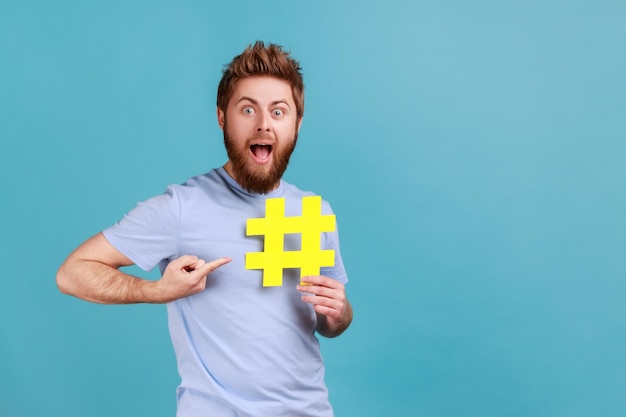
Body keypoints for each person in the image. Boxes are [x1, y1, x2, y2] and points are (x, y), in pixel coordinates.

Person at [56, 41, 353, 416]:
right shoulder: (181, 208)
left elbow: (328, 324)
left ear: (297, 123)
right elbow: (72, 273)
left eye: (279, 111)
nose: (264, 123)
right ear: (222, 118)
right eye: (248, 109)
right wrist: (155, 290)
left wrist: (338, 314)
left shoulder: (313, 210)